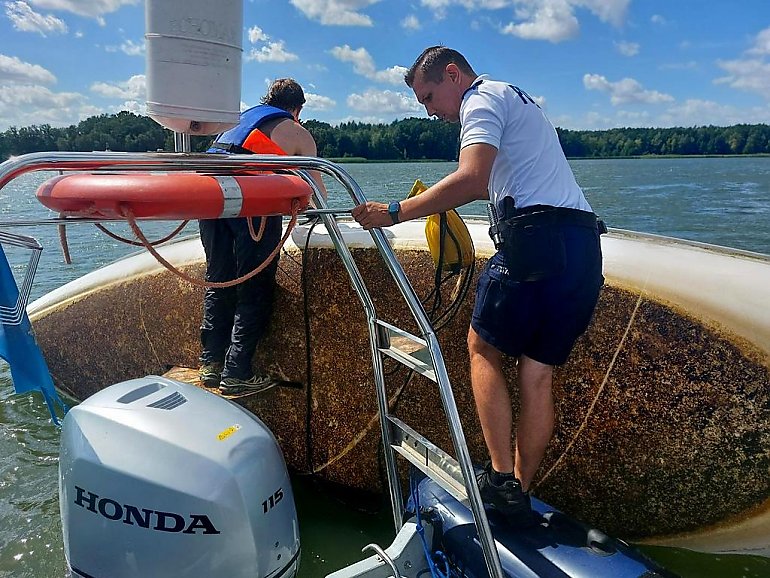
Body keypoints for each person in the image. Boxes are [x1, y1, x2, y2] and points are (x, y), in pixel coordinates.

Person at [352, 47, 604, 524]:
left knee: (481, 348)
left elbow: (472, 180)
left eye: (429, 96)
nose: (430, 110)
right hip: (583, 248)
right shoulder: (518, 98)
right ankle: (518, 493)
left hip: (534, 242)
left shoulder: (480, 99)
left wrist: (393, 213)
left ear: (452, 75)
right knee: (537, 373)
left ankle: (500, 477)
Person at [199, 78, 326, 395]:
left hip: (209, 199)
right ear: (297, 109)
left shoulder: (235, 122)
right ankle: (237, 372)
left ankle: (210, 363)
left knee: (219, 279)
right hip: (251, 206)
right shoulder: (296, 131)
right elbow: (317, 192)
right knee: (255, 286)